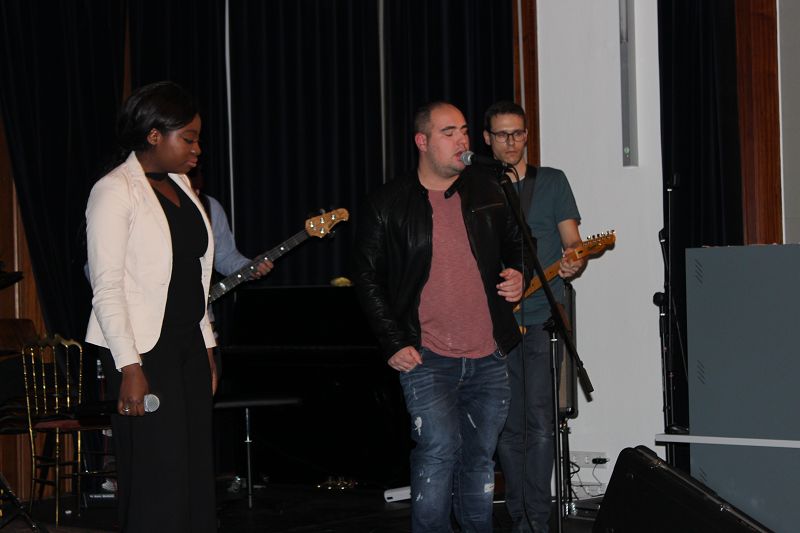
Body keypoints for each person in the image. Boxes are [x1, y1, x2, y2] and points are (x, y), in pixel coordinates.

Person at [352, 101, 532, 532]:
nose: (462, 140)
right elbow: (366, 278)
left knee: (479, 461)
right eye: (449, 132)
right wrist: (393, 341)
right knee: (437, 453)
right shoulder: (388, 203)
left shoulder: (490, 190)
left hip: (489, 355)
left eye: (464, 131)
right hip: (427, 357)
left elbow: (521, 245)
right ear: (422, 141)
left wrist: (518, 273)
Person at [85, 81, 217, 532]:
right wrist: (130, 366)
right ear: (154, 135)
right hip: (143, 350)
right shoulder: (113, 190)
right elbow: (107, 286)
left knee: (195, 467)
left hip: (187, 344)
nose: (197, 149)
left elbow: (195, 276)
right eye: (189, 138)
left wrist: (207, 345)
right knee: (159, 471)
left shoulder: (182, 186)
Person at [485, 101, 585, 533]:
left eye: (518, 133)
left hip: (543, 317)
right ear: (487, 139)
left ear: (527, 135)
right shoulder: (479, 187)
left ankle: (537, 522)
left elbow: (573, 243)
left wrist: (574, 261)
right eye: (502, 134)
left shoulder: (553, 182)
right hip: (495, 323)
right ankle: (520, 515)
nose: (511, 142)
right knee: (509, 427)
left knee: (541, 423)